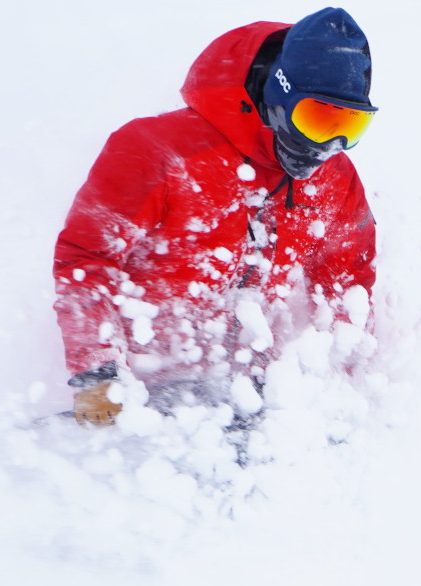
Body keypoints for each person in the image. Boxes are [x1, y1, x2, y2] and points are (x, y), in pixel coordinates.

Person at [53, 8, 378, 426]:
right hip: (135, 401)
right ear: (279, 97)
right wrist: (98, 372)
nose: (329, 145)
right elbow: (86, 258)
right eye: (317, 119)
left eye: (350, 125)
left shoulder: (335, 179)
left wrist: (343, 386)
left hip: (251, 400)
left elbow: (348, 287)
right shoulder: (157, 150)